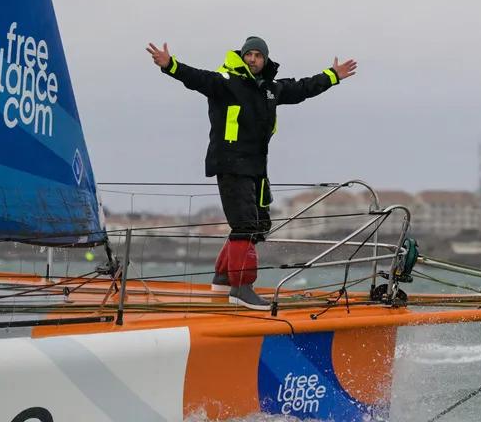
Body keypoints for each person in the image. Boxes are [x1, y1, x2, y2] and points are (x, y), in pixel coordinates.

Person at [146, 38, 357, 310]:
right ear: (242, 57)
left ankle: (223, 279)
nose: (254, 59)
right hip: (231, 165)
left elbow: (302, 88)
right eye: (250, 55)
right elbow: (195, 78)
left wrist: (332, 76)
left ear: (265, 60)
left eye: (259, 55)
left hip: (256, 168)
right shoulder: (225, 82)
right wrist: (170, 65)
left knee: (257, 225)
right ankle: (241, 288)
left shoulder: (271, 89)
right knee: (244, 225)